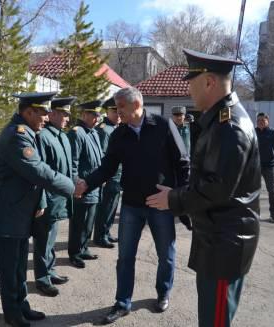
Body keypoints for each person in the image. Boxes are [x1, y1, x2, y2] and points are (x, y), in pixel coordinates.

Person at [146, 49, 261, 327]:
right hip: (217, 238)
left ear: (209, 82)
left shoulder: (229, 126)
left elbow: (217, 188)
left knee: (215, 320)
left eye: (191, 80)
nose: (187, 87)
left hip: (225, 243)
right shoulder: (219, 119)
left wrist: (173, 199)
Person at [75, 87, 190, 324]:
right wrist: (87, 183)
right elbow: (107, 167)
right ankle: (122, 302)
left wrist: (179, 196)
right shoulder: (119, 135)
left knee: (165, 255)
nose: (117, 113)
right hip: (131, 205)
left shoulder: (163, 126)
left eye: (120, 108)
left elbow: (183, 163)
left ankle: (163, 293)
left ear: (136, 105)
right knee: (125, 257)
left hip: (161, 204)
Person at [0, 91, 76, 327]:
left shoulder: (28, 131)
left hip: (19, 210)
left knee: (18, 266)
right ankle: (12, 313)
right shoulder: (17, 135)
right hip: (9, 212)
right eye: (42, 113)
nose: (46, 118)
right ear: (28, 112)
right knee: (9, 268)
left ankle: (22, 306)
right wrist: (71, 186)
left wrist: (41, 201)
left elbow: (34, 175)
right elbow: (37, 170)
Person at [32, 96, 76, 297]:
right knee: (43, 241)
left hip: (59, 200)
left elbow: (67, 167)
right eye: (64, 114)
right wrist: (41, 200)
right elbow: (40, 174)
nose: (68, 117)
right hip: (48, 199)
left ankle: (50, 271)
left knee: (51, 238)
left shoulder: (62, 136)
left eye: (68, 114)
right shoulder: (44, 137)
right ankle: (42, 279)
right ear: (53, 114)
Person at [67, 99, 104, 269]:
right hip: (83, 185)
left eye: (97, 116)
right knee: (78, 223)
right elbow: (72, 162)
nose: (96, 119)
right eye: (93, 115)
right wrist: (76, 184)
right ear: (84, 115)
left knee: (89, 221)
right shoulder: (77, 133)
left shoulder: (93, 132)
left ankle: (83, 248)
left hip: (94, 185)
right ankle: (74, 253)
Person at [93, 97, 122, 249]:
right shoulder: (104, 129)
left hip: (117, 176)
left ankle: (107, 231)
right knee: (105, 207)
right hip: (110, 177)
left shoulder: (116, 128)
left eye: (119, 111)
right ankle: (100, 236)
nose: (117, 114)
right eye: (114, 111)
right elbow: (102, 155)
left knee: (112, 206)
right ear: (107, 112)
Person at [256, 112, 274, 223]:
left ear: (268, 121)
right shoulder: (253, 132)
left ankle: (273, 214)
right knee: (254, 191)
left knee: (272, 190)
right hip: (256, 166)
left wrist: (273, 155)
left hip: (270, 167)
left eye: (263, 120)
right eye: (258, 120)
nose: (260, 122)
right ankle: (255, 215)